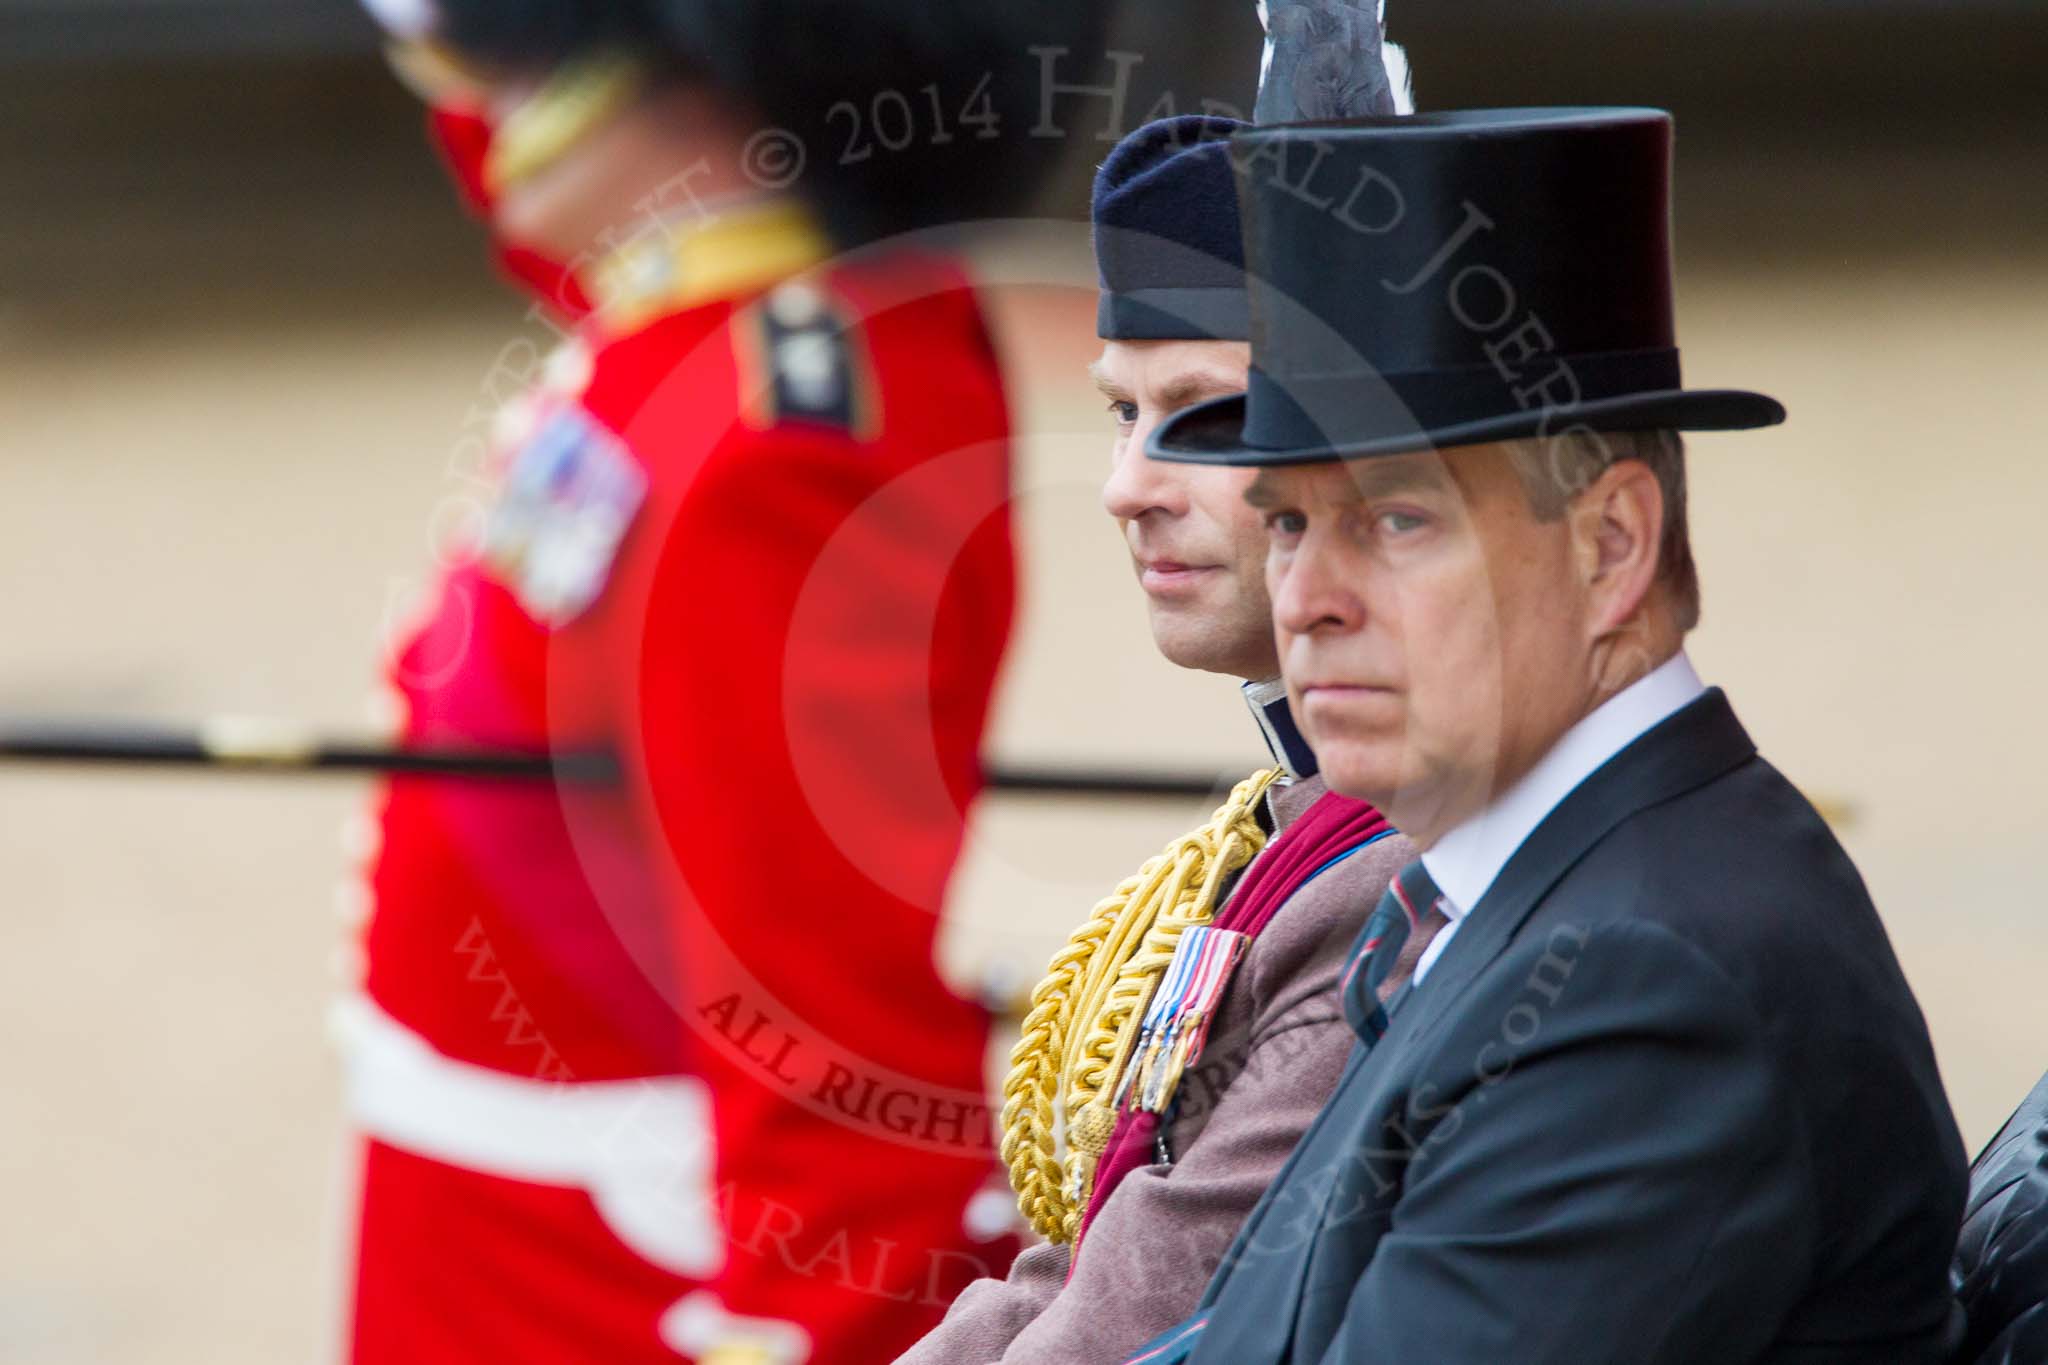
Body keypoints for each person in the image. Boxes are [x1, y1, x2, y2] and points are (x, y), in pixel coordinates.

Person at [1133, 108, 1968, 1363]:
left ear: (1609, 546)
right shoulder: (1544, 890)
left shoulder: (1646, 981)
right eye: (1290, 523)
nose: (1307, 597)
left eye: (1395, 520)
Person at [339, 2, 1105, 1361]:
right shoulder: (694, 335)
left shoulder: (776, 445)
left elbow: (827, 1044)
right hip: (506, 1245)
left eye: (534, 49)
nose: (492, 94)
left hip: (616, 1280)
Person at [896, 115, 1414, 1365]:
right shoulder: (1307, 820)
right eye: (1123, 413)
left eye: (1201, 416)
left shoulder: (1397, 862)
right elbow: (1084, 1252)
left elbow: (1139, 1321)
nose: (1125, 482)